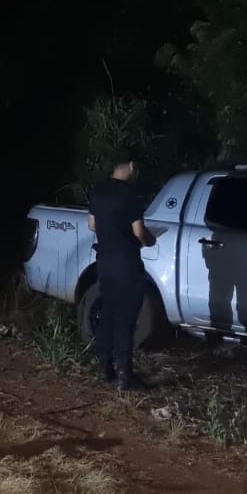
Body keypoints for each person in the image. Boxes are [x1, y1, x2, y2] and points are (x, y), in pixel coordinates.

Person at [87, 152, 156, 390]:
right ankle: (125, 375)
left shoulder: (99, 190)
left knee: (107, 314)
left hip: (104, 261)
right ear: (131, 166)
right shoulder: (129, 194)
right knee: (126, 318)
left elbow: (92, 224)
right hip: (126, 263)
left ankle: (103, 368)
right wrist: (150, 240)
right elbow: (139, 232)